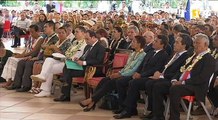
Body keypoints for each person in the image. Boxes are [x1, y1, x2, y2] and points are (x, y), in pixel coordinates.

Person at [79, 35, 146, 112]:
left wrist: (120, 74)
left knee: (111, 82)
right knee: (104, 80)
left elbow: (134, 69)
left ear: (139, 44)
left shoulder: (142, 55)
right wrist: (119, 73)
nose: (132, 43)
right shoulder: (133, 53)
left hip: (131, 76)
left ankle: (91, 100)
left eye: (134, 41)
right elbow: (126, 67)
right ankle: (93, 101)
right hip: (123, 73)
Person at [113, 35, 169, 119]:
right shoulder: (151, 52)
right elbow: (142, 65)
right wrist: (137, 72)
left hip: (149, 77)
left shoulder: (163, 55)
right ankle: (124, 107)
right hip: (141, 75)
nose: (153, 42)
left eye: (156, 41)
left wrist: (141, 75)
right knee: (121, 81)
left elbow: (156, 69)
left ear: (162, 45)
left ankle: (129, 110)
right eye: (154, 40)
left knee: (134, 83)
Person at [143, 33, 192, 120]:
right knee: (149, 83)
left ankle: (158, 115)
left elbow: (179, 73)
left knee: (157, 85)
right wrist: (159, 73)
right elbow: (166, 67)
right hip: (165, 77)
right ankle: (154, 111)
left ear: (184, 45)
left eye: (177, 42)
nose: (174, 44)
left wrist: (162, 76)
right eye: (175, 42)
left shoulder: (186, 57)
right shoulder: (175, 54)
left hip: (172, 79)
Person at [169, 33, 215, 120]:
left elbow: (202, 78)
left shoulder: (209, 59)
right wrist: (174, 79)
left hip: (197, 87)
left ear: (206, 45)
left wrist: (182, 82)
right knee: (159, 85)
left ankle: (174, 118)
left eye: (198, 43)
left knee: (175, 89)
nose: (195, 45)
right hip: (184, 83)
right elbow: (181, 70)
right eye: (194, 43)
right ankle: (157, 114)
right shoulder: (193, 56)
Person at [31, 26, 87, 97]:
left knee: (49, 69)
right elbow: (68, 52)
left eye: (77, 32)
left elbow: (81, 56)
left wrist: (70, 58)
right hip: (66, 60)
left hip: (74, 64)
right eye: (75, 32)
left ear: (83, 33)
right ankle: (43, 79)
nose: (74, 33)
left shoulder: (85, 44)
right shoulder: (75, 42)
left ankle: (45, 89)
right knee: (49, 60)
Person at [53, 30, 106, 102]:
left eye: (87, 39)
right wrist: (78, 59)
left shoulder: (100, 47)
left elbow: (98, 61)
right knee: (67, 66)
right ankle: (65, 92)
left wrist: (84, 62)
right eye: (85, 39)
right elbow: (84, 57)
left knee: (68, 73)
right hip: (84, 67)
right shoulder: (87, 46)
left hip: (92, 69)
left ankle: (65, 92)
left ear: (93, 38)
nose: (86, 41)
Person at [6, 24, 44, 91]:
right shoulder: (32, 38)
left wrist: (22, 56)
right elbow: (27, 49)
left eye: (32, 32)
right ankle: (16, 84)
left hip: (36, 57)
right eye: (30, 32)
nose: (31, 34)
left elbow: (34, 51)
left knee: (28, 63)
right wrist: (21, 55)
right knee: (21, 62)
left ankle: (26, 86)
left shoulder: (40, 39)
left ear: (38, 31)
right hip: (30, 56)